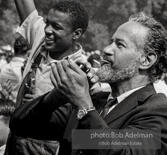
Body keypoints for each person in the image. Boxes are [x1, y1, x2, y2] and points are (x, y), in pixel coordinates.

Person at [6, 12, 167, 155]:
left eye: (120, 45)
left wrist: (83, 105)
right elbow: (20, 124)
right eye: (111, 42)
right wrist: (58, 94)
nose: (107, 49)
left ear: (146, 60)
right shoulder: (97, 101)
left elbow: (122, 151)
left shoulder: (158, 109)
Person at [0, 36, 29, 102]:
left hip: (6, 107)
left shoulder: (4, 68)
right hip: (22, 109)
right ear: (28, 52)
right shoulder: (27, 70)